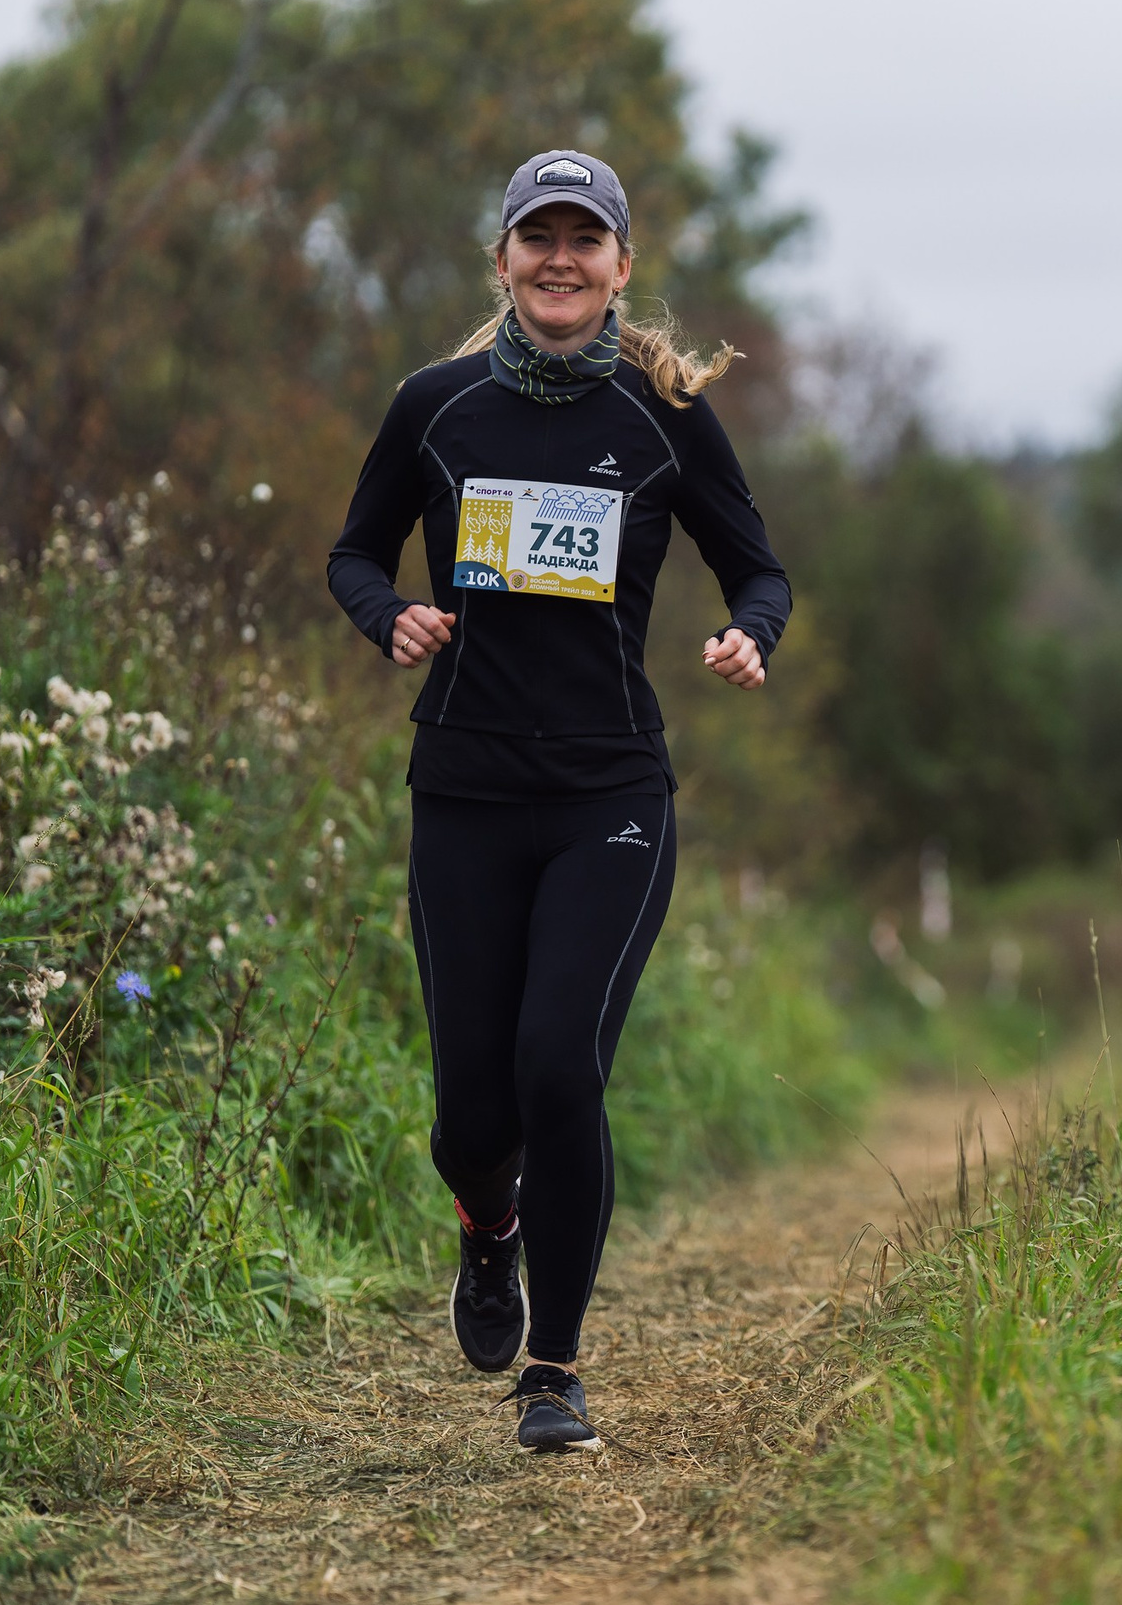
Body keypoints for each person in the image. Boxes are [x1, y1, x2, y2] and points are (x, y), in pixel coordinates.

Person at [326, 150, 791, 1454]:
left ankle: (556, 1365)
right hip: (465, 788)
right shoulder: (437, 407)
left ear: (622, 265)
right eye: (539, 236)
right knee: (472, 1112)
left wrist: (751, 636)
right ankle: (490, 1227)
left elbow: (760, 571)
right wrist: (390, 614)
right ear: (504, 258)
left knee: (556, 1065)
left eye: (587, 238)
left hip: (610, 793)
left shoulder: (665, 416)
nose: (561, 259)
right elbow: (353, 548)